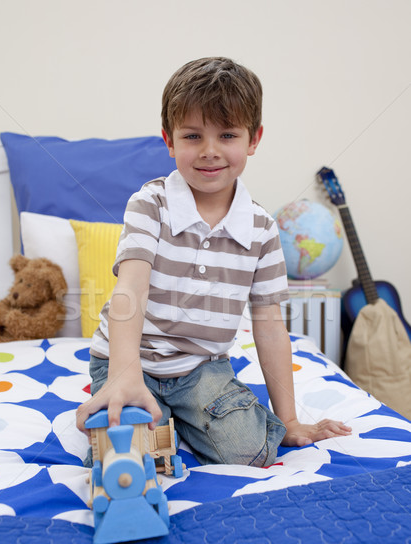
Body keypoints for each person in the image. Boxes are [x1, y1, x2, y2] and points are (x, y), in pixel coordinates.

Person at [76, 57, 351, 467]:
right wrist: (124, 375)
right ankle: (144, 408)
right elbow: (130, 290)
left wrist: (289, 419)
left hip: (201, 369)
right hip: (130, 359)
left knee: (251, 451)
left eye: (227, 134)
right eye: (192, 136)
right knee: (134, 454)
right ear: (169, 141)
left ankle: (190, 417)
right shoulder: (150, 204)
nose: (209, 151)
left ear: (253, 139)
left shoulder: (261, 228)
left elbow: (270, 323)